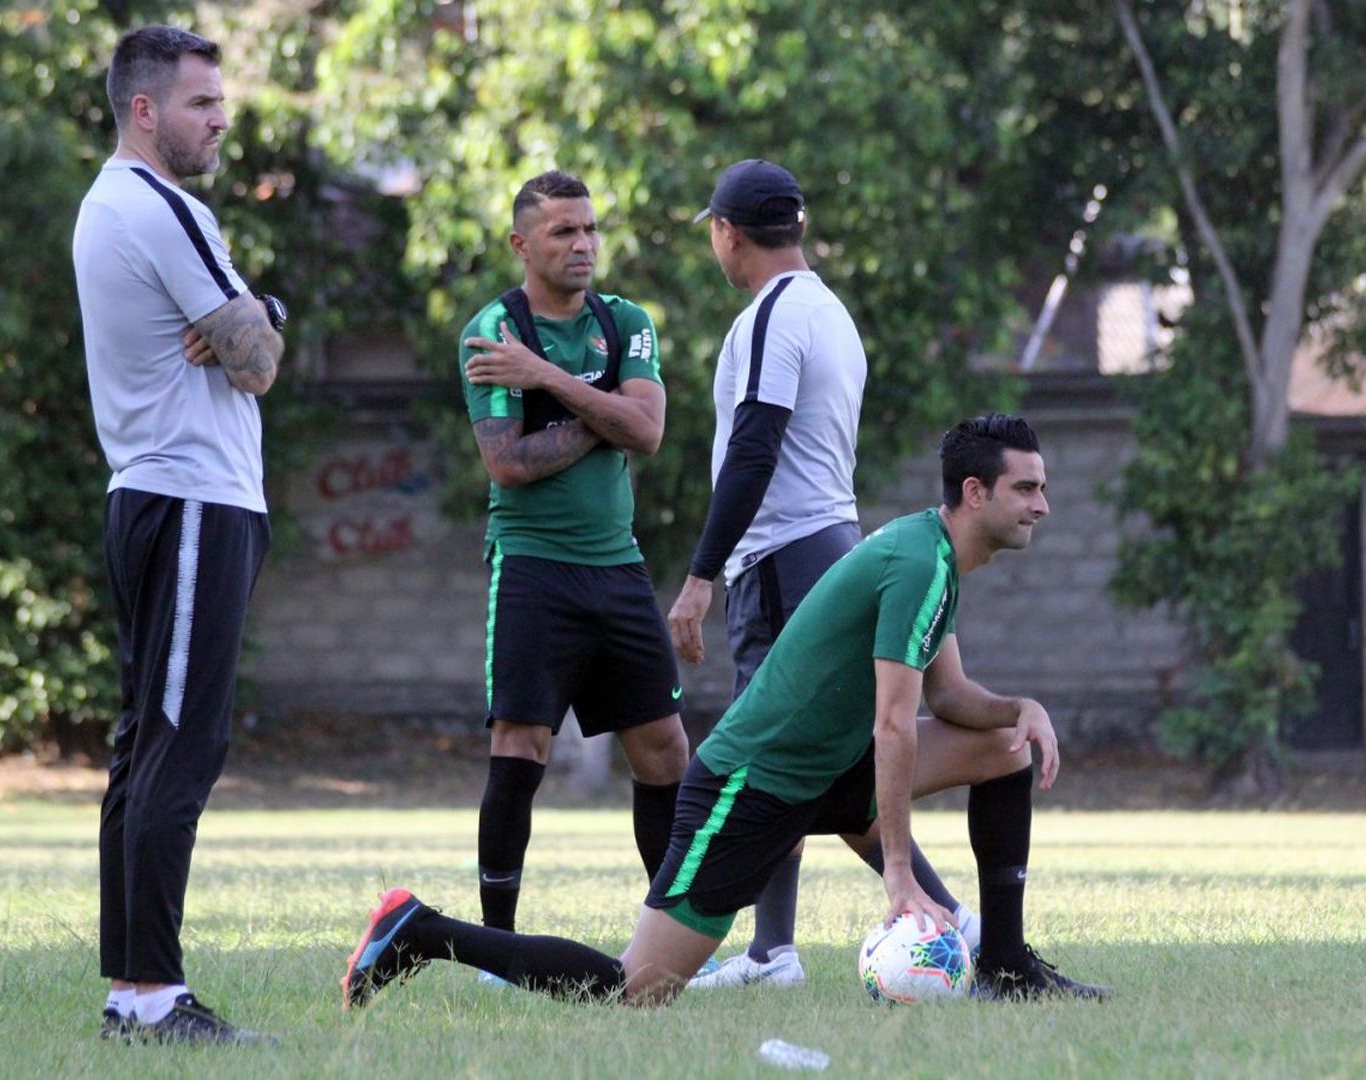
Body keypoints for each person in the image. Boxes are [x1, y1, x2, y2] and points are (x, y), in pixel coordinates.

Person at [341, 414, 1110, 1008]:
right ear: (975, 493)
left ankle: (1005, 965)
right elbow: (892, 725)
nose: (1042, 505)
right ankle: (421, 932)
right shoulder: (917, 566)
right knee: (634, 989)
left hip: (824, 769)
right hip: (752, 785)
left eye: (1040, 488)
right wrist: (900, 877)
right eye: (1027, 488)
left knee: (1008, 742)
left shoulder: (935, 558)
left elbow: (949, 699)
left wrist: (1022, 707)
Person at [664, 160, 978, 989]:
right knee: (801, 755)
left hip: (785, 555)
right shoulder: (830, 310)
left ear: (728, 232)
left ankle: (941, 918)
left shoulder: (773, 315)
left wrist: (701, 575)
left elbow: (756, 445)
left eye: (713, 231)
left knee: (779, 757)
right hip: (827, 539)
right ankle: (774, 949)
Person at [73, 25, 286, 1044]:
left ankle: (130, 990)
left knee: (142, 746)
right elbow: (258, 362)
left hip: (154, 495)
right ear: (145, 109)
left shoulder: (110, 205)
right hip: (193, 495)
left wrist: (256, 310)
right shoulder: (163, 206)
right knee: (178, 745)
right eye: (202, 103)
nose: (221, 120)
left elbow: (244, 333)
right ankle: (154, 998)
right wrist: (260, 312)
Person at [455, 170, 690, 945]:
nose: (583, 244)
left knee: (664, 749)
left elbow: (650, 434)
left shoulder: (626, 321)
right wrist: (609, 409)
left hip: (617, 566)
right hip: (531, 565)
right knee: (520, 745)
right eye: (564, 231)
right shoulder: (494, 329)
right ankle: (499, 944)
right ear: (523, 244)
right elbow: (509, 464)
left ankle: (667, 938)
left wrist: (551, 382)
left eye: (590, 229)